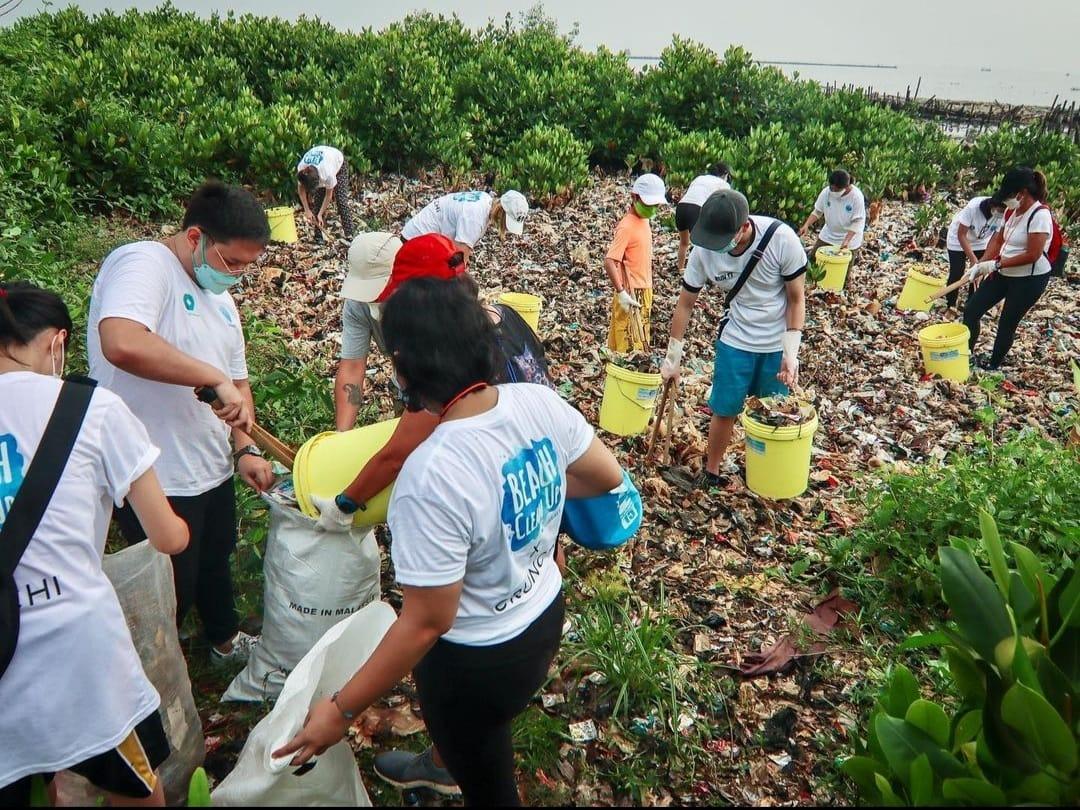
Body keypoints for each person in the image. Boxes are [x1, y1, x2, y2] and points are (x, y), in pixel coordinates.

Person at [275, 278, 623, 806]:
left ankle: (453, 765)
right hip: (544, 614)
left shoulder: (430, 474)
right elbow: (606, 476)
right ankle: (448, 761)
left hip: (477, 661)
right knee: (485, 737)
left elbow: (426, 622)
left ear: (405, 367)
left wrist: (339, 710)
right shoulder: (537, 404)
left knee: (490, 787)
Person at [0, 282, 189, 807]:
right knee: (137, 795)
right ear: (56, 343)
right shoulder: (92, 407)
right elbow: (167, 536)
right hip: (78, 658)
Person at [87, 181, 275, 664]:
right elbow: (122, 341)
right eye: (232, 262)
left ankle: (224, 641)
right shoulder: (144, 264)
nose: (237, 275)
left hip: (208, 462)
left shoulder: (222, 299)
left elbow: (237, 380)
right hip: (155, 467)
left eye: (247, 267)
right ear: (196, 236)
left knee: (215, 559)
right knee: (172, 585)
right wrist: (210, 376)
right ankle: (156, 678)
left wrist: (245, 447)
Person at [316, 235, 552, 537]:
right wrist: (342, 439)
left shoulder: (449, 363)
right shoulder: (508, 318)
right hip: (536, 474)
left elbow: (398, 454)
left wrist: (345, 504)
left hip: (501, 483)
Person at [661, 190, 807, 485]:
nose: (718, 248)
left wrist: (791, 354)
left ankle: (768, 477)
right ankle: (712, 472)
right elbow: (685, 303)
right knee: (724, 407)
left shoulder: (781, 240)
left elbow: (796, 299)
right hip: (736, 339)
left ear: (744, 227)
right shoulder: (704, 249)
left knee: (772, 414)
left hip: (774, 343)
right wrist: (672, 359)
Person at [962, 167, 1055, 371]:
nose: (1007, 201)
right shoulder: (1012, 211)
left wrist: (995, 264)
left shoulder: (1040, 215)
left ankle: (993, 365)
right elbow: (998, 239)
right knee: (971, 310)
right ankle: (965, 353)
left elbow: (1033, 254)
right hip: (1002, 271)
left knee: (1007, 323)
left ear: (1021, 193)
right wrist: (980, 265)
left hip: (1029, 279)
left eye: (1010, 196)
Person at [334, 232, 403, 431]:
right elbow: (352, 368)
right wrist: (342, 435)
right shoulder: (357, 304)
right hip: (405, 387)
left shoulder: (430, 295)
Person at [605, 173, 667, 353]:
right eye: (650, 204)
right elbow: (609, 261)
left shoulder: (644, 220)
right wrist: (621, 292)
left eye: (656, 205)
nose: (653, 208)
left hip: (645, 289)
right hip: (632, 293)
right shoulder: (627, 226)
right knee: (628, 347)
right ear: (634, 198)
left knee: (640, 342)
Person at [400, 189, 529, 266]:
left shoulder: (485, 199)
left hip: (416, 234)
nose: (505, 227)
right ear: (501, 211)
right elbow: (459, 257)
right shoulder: (475, 218)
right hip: (416, 243)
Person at [799, 169, 866, 276]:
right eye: (832, 188)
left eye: (837, 189)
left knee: (842, 273)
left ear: (846, 187)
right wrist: (806, 225)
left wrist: (846, 241)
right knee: (813, 262)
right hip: (828, 234)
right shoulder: (826, 193)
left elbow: (858, 222)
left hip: (849, 239)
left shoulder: (856, 197)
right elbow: (818, 211)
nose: (833, 191)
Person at [944, 194, 1005, 308]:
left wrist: (981, 262)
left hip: (981, 242)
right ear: (992, 206)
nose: (1001, 214)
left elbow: (995, 240)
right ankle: (950, 304)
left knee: (978, 273)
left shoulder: (1004, 215)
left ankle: (971, 304)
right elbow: (961, 235)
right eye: (999, 210)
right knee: (957, 272)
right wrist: (973, 259)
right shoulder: (973, 207)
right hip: (957, 240)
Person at [676, 162, 732, 271]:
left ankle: (680, 269)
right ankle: (701, 272)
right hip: (697, 209)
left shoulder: (699, 178)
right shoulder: (723, 184)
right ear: (725, 174)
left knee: (684, 242)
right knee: (701, 246)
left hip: (681, 207)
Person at [297, 144, 356, 240]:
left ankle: (350, 234)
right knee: (318, 203)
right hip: (322, 159)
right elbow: (301, 190)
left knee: (341, 201)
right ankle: (318, 236)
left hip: (338, 162)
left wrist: (320, 214)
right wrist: (307, 210)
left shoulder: (327, 173)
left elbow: (328, 195)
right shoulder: (302, 170)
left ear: (319, 179)